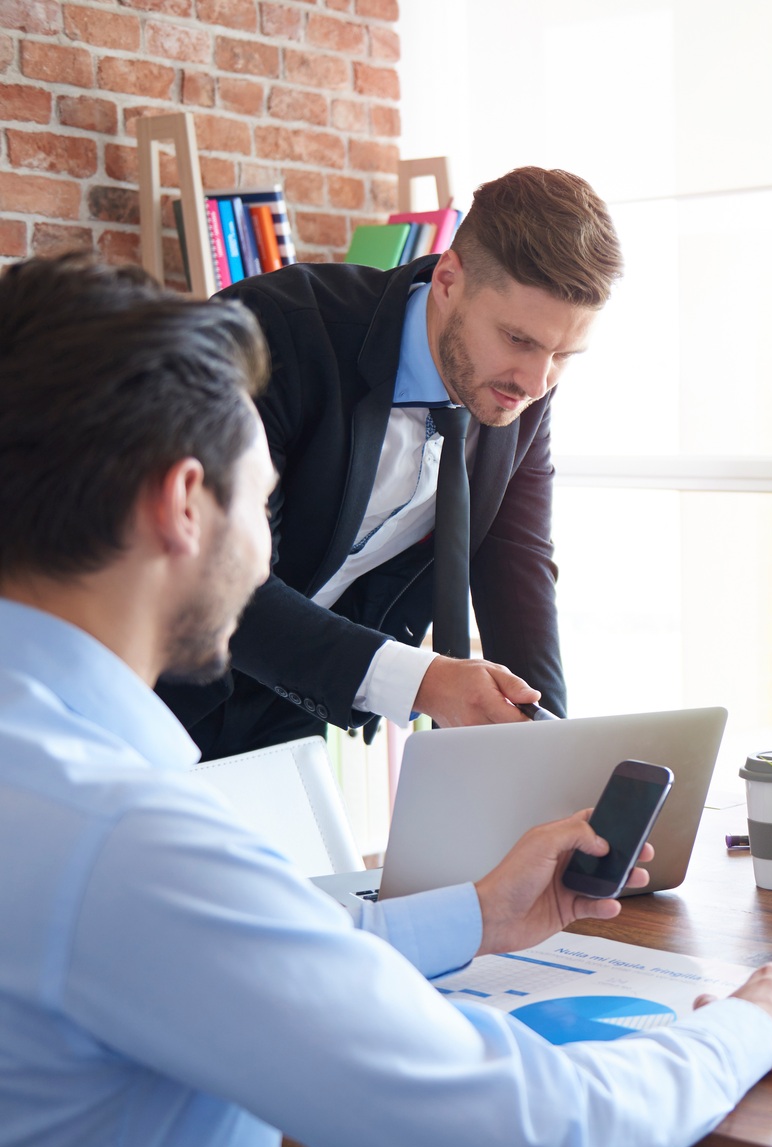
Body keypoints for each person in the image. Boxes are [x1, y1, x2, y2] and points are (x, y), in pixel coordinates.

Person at [0, 254, 772, 1147]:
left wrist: (479, 912)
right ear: (185, 504)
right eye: (264, 500)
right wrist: (752, 1021)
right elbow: (537, 1138)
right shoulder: (126, 835)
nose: (270, 540)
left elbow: (219, 946)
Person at [156, 167, 619, 760]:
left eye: (564, 354)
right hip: (145, 685)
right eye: (518, 339)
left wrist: (555, 754)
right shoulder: (273, 332)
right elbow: (208, 573)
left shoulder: (520, 390)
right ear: (449, 279)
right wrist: (425, 682)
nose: (536, 381)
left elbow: (517, 564)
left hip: (290, 700)